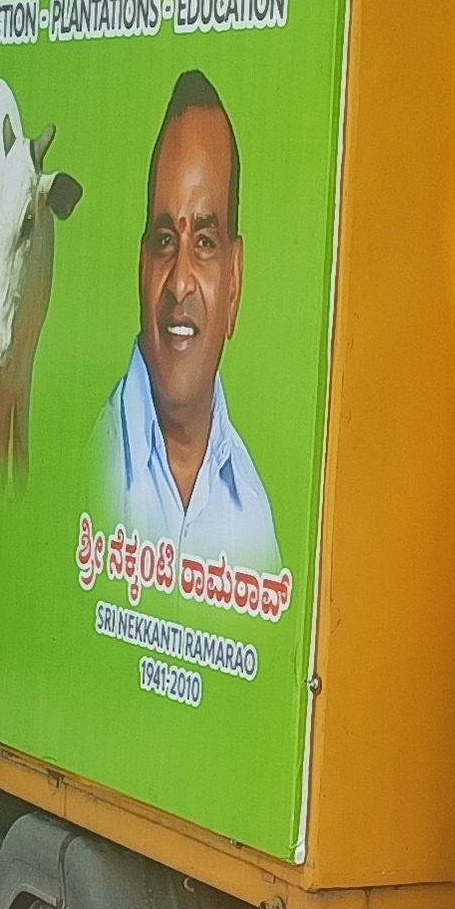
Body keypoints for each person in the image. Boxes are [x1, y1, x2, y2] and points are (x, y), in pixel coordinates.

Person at [96, 70, 281, 570]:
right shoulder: (91, 466)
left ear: (235, 281)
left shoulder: (253, 517)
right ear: (141, 268)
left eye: (204, 242)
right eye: (164, 242)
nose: (179, 283)